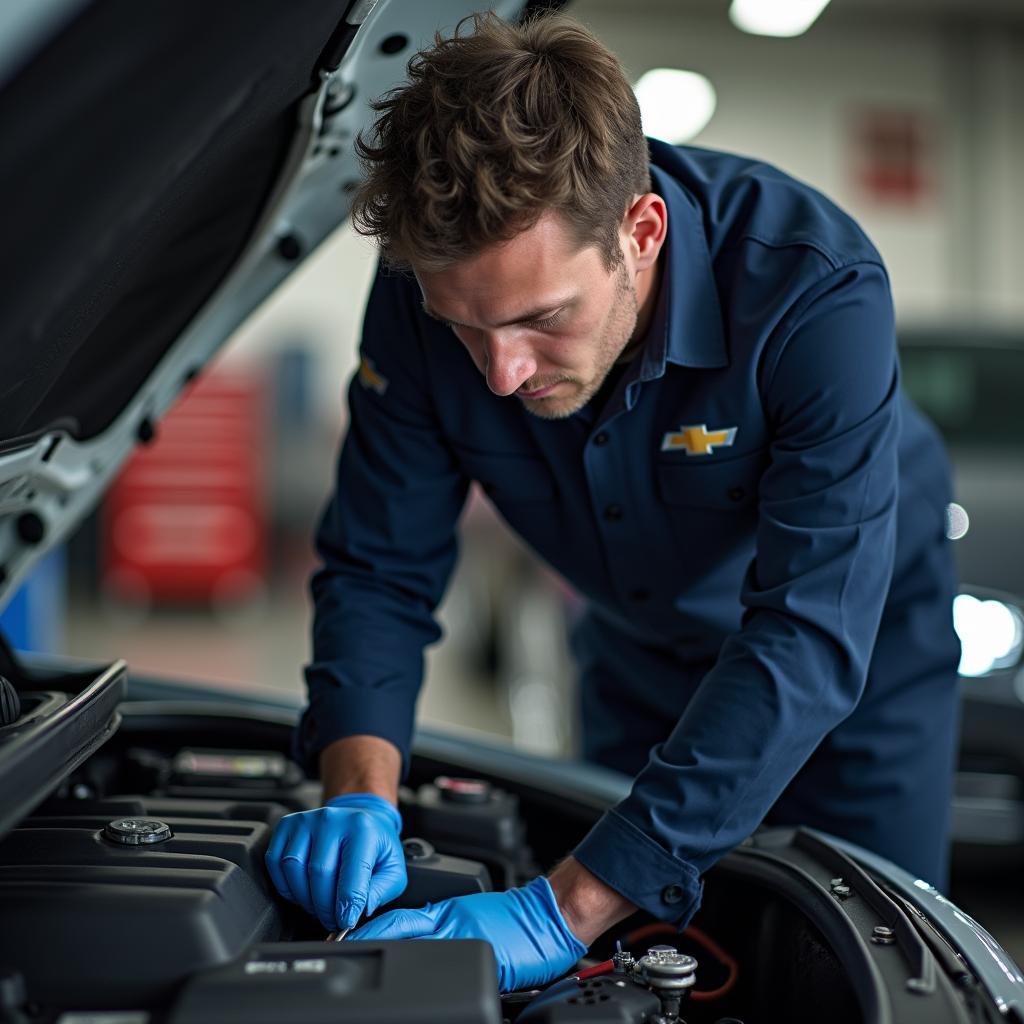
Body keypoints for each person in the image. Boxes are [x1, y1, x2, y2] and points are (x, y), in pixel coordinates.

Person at [265, 11, 961, 993]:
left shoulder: (812, 291)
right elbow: (380, 570)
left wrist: (563, 907)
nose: (502, 374)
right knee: (639, 982)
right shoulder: (426, 303)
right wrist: (359, 793)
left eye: (543, 320)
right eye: (468, 330)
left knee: (853, 974)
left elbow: (806, 631)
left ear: (641, 232)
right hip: (637, 652)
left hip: (854, 673)